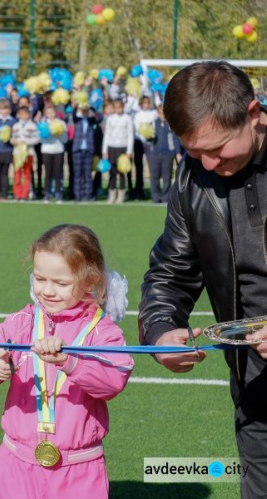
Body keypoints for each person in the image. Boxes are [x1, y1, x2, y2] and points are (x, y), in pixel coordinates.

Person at [138, 61, 267, 498]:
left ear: (253, 114)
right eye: (194, 152)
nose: (210, 164)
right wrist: (159, 333)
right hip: (255, 383)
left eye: (218, 149)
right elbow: (171, 271)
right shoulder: (193, 175)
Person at [0, 224, 133, 499]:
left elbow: (113, 380)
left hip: (79, 469)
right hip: (17, 465)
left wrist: (68, 361)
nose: (48, 291)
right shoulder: (21, 323)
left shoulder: (102, 331)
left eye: (61, 283)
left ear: (90, 281)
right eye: (40, 279)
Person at [148, 103, 182, 203]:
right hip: (155, 154)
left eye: (164, 113)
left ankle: (166, 197)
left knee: (167, 177)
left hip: (168, 154)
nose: (162, 115)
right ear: (157, 113)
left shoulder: (172, 124)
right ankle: (155, 197)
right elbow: (148, 139)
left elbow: (176, 139)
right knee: (155, 176)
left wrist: (178, 153)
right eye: (160, 113)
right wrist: (147, 136)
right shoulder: (153, 123)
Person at [102, 98, 134, 204]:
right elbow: (107, 134)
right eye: (116, 108)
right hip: (112, 147)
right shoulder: (110, 119)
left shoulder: (127, 118)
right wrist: (104, 150)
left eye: (119, 108)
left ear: (123, 107)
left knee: (121, 173)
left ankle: (121, 195)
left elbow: (130, 135)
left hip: (123, 147)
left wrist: (129, 151)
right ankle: (112, 194)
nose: (118, 110)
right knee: (112, 172)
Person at [39, 105, 68, 203]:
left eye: (52, 112)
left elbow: (65, 139)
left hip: (58, 150)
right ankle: (47, 194)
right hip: (46, 150)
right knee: (48, 173)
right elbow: (40, 139)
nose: (50, 115)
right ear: (45, 114)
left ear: (55, 113)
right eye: (48, 113)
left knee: (58, 173)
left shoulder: (61, 123)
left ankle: (59, 194)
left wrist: (59, 134)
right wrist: (46, 134)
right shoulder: (43, 124)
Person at [131, 95, 158, 200]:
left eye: (147, 103)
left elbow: (154, 126)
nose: (146, 105)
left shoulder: (153, 114)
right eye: (144, 103)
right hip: (139, 143)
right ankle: (139, 191)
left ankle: (154, 191)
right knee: (139, 167)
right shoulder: (137, 115)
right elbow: (137, 128)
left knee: (152, 167)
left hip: (150, 143)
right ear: (141, 104)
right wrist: (144, 135)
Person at [71, 102, 99, 202]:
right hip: (77, 149)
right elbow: (73, 114)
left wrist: (91, 107)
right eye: (83, 111)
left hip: (89, 149)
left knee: (87, 174)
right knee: (78, 174)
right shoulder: (77, 120)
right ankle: (78, 194)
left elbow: (99, 116)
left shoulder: (92, 121)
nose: (85, 112)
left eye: (86, 111)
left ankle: (88, 194)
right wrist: (77, 106)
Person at [11, 105, 39, 201]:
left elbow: (37, 138)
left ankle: (24, 194)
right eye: (22, 114)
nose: (24, 116)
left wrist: (26, 142)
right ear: (19, 115)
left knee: (27, 173)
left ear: (29, 115)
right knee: (17, 173)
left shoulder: (32, 126)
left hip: (28, 153)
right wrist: (14, 141)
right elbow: (12, 138)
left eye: (26, 114)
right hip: (17, 153)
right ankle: (17, 194)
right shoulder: (15, 126)